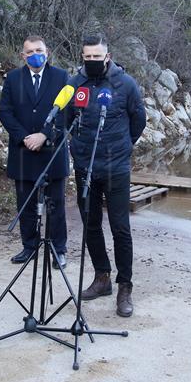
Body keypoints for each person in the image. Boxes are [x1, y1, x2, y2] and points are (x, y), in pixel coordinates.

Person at [68, 36, 146, 317]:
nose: (91, 62)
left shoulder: (126, 84)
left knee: (120, 228)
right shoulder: (76, 84)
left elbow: (139, 120)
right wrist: (76, 150)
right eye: (87, 57)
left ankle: (124, 285)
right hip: (85, 167)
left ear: (108, 56)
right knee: (90, 225)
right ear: (82, 56)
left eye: (96, 57)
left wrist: (122, 146)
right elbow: (68, 120)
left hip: (116, 169)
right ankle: (102, 278)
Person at [0, 36, 70, 269]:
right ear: (23, 55)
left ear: (47, 52)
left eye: (39, 50)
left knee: (56, 205)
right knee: (25, 203)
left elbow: (65, 114)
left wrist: (44, 135)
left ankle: (58, 250)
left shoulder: (61, 77)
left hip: (52, 152)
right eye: (29, 51)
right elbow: (6, 113)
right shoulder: (12, 78)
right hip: (23, 151)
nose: (34, 54)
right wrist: (25, 137)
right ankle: (29, 246)